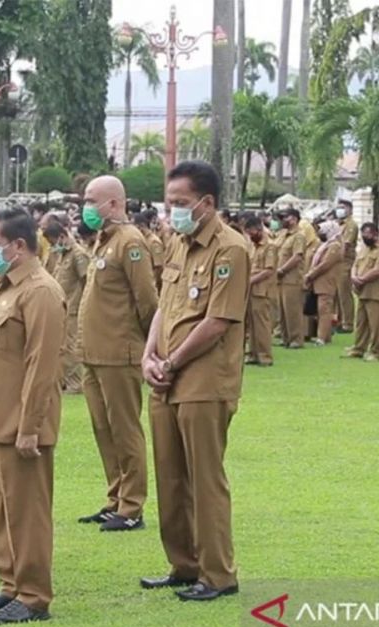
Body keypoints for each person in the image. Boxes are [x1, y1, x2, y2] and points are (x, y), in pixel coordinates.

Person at [140, 161, 247, 602]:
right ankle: (184, 564)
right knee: (170, 477)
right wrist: (150, 354)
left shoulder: (231, 249)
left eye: (180, 203)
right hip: (167, 376)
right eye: (170, 203)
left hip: (204, 380)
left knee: (204, 479)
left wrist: (173, 361)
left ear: (207, 203)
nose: (173, 212)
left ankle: (218, 573)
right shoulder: (178, 243)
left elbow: (218, 320)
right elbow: (166, 304)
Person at [0, 206, 65, 624]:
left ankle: (34, 595)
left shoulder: (40, 291)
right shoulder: (5, 287)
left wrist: (30, 428)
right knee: (1, 508)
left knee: (26, 514)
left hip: (18, 425)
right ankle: (10, 584)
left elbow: (41, 367)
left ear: (18, 246)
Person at [77, 175, 158, 532]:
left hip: (119, 351)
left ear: (113, 204)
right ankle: (115, 497)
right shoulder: (102, 240)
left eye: (92, 200)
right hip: (93, 353)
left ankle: (132, 506)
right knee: (102, 428)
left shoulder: (130, 242)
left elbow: (147, 301)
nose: (86, 207)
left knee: (125, 430)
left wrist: (146, 346)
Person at [43, 220, 89, 394]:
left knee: (72, 347)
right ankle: (65, 380)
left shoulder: (78, 254)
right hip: (63, 306)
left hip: (74, 308)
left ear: (62, 236)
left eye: (54, 242)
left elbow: (86, 282)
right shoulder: (62, 254)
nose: (53, 246)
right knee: (62, 347)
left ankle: (75, 384)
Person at [344, 223, 379, 362]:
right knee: (361, 322)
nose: (365, 237)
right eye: (363, 235)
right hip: (362, 291)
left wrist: (362, 279)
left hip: (376, 291)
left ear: (376, 234)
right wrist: (354, 277)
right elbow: (355, 264)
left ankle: (376, 352)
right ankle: (358, 348)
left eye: (368, 234)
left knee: (376, 324)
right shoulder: (364, 249)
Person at [304, 220, 343, 346]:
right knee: (320, 310)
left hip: (326, 281)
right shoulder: (325, 244)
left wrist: (311, 274)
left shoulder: (335, 246)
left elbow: (326, 264)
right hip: (318, 281)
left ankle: (322, 337)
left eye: (323, 231)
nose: (320, 233)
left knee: (324, 309)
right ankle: (322, 336)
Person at [244, 215, 275, 366]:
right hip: (250, 290)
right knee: (251, 324)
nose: (250, 235)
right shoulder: (252, 245)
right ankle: (252, 353)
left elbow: (268, 270)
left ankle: (264, 355)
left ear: (259, 229)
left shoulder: (269, 246)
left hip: (262, 290)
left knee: (261, 324)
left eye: (251, 232)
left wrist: (249, 281)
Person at [275, 208, 306, 349]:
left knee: (292, 309)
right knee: (282, 310)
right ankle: (285, 337)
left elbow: (297, 256)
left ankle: (296, 339)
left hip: (291, 278)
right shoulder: (283, 234)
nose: (282, 221)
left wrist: (283, 269)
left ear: (293, 219)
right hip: (279, 278)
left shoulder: (299, 236)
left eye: (285, 217)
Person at [335, 200, 357, 332]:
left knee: (344, 293)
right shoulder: (339, 224)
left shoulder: (351, 225)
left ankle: (348, 323)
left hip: (345, 261)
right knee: (337, 294)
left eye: (343, 207)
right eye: (338, 207)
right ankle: (339, 320)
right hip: (337, 262)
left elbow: (346, 244)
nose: (340, 210)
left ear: (350, 209)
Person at [133, 211, 165, 290]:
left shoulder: (153, 242)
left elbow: (159, 267)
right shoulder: (141, 240)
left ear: (140, 227)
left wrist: (153, 286)